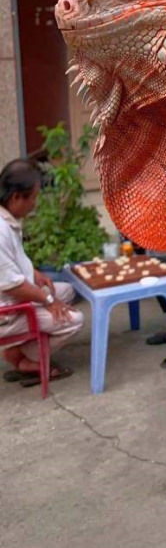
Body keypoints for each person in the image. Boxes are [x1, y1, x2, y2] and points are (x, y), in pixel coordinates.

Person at [0, 159, 84, 387]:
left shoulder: (7, 218)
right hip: (7, 312)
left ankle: (21, 352)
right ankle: (24, 358)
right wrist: (47, 300)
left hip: (14, 298)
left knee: (64, 291)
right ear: (16, 197)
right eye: (34, 198)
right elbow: (12, 285)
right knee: (74, 320)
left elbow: (11, 261)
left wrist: (34, 273)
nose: (35, 204)